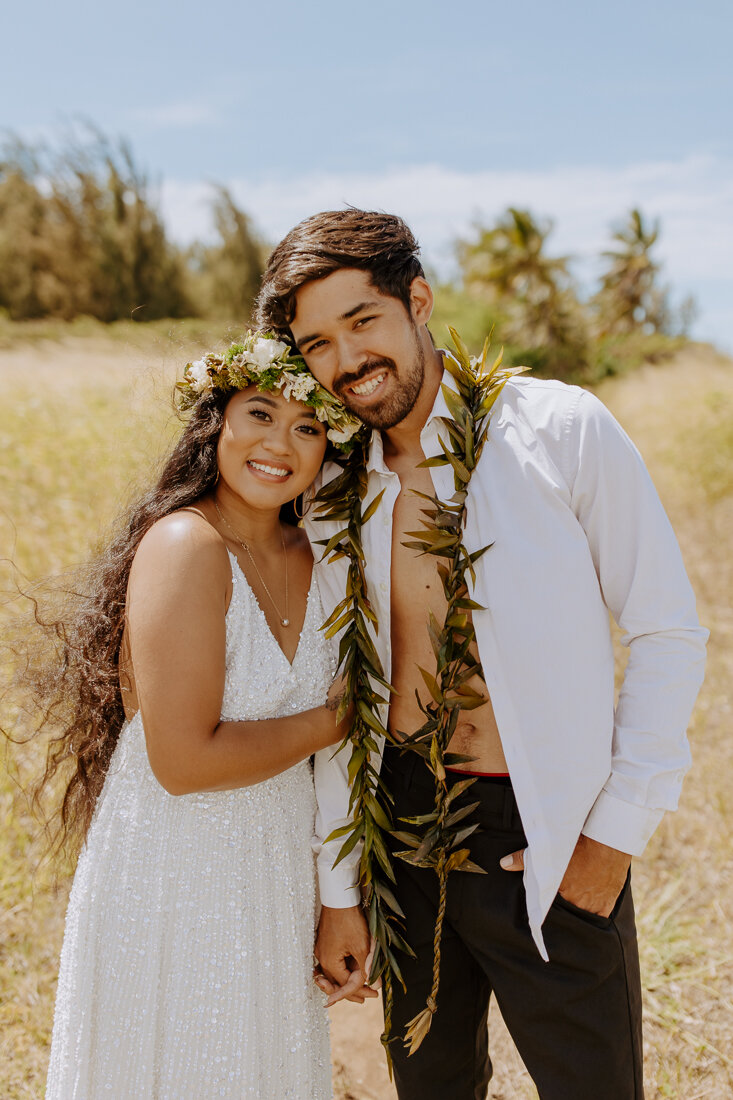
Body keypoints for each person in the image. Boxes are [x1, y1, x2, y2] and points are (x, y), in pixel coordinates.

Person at [254, 210, 708, 1099]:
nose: (347, 361)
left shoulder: (559, 431)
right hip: (402, 824)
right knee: (430, 1085)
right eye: (316, 344)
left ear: (417, 301)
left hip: (544, 820)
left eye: (362, 322)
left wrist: (609, 841)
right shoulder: (330, 489)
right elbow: (339, 691)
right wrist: (341, 887)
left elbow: (666, 632)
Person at [40, 333, 372, 1099]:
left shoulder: (319, 558)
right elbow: (184, 762)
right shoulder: (186, 544)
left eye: (308, 427)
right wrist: (335, 720)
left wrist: (336, 900)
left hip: (272, 869)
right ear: (214, 423)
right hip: (174, 872)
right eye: (259, 414)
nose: (278, 444)